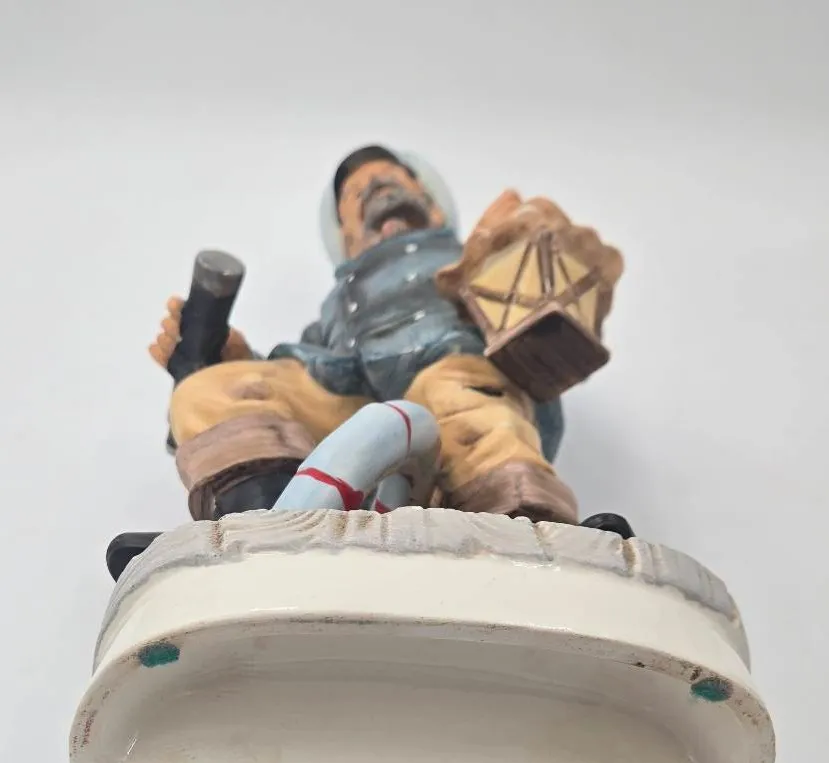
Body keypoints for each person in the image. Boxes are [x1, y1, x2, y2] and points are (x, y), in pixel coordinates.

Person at [107, 146, 629, 579]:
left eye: (392, 179)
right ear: (347, 236)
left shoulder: (470, 260)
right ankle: (250, 526)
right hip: (354, 395)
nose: (378, 190)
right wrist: (239, 364)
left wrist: (524, 250)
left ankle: (528, 537)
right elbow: (311, 371)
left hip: (451, 382)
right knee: (215, 389)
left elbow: (539, 317)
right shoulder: (339, 307)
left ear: (435, 207)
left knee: (462, 397)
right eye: (358, 195)